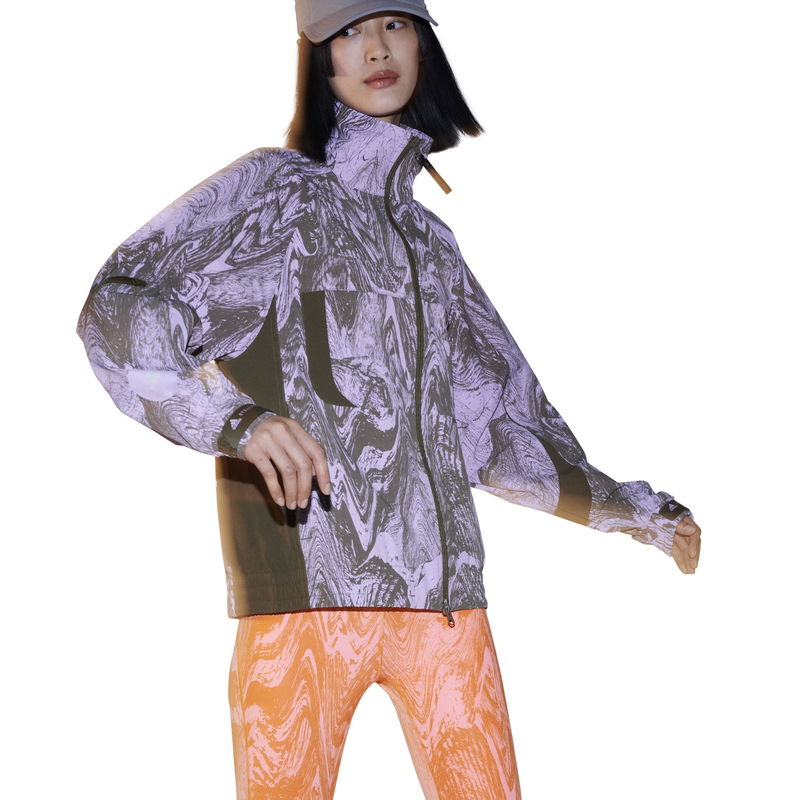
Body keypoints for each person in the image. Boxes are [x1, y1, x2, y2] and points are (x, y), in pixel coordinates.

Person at [75, 1, 702, 797]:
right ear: (319, 57)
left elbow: (497, 426)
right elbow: (122, 305)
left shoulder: (433, 247)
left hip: (446, 610)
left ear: (424, 44)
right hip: (301, 604)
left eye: (395, 23)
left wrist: (641, 513)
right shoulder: (276, 196)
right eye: (348, 30)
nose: (375, 47)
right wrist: (235, 420)